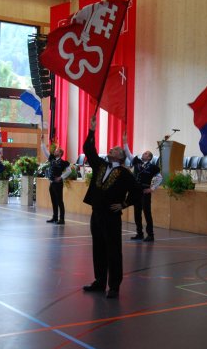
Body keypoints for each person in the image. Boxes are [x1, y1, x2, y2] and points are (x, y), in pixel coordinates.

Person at [82, 116, 135, 299]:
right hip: (96, 213)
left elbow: (137, 192)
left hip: (112, 217)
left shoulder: (125, 174)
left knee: (113, 251)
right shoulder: (101, 165)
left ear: (120, 156)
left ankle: (114, 286)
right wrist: (92, 131)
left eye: (115, 149)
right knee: (98, 248)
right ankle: (99, 281)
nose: (111, 149)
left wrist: (124, 204)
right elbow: (88, 150)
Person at [123, 132, 162, 241]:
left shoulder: (153, 167)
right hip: (136, 192)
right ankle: (139, 233)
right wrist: (125, 142)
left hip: (145, 191)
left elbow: (160, 178)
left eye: (145, 153)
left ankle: (150, 235)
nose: (143, 154)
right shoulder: (137, 162)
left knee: (147, 213)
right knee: (137, 213)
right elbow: (128, 153)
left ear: (149, 157)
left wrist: (152, 188)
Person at [41, 135, 71, 224]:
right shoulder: (52, 159)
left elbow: (69, 171)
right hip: (52, 183)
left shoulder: (63, 162)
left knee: (60, 201)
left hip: (58, 184)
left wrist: (61, 177)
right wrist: (42, 142)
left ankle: (62, 219)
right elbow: (45, 152)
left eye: (57, 150)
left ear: (60, 153)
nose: (55, 151)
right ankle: (54, 217)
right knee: (54, 201)